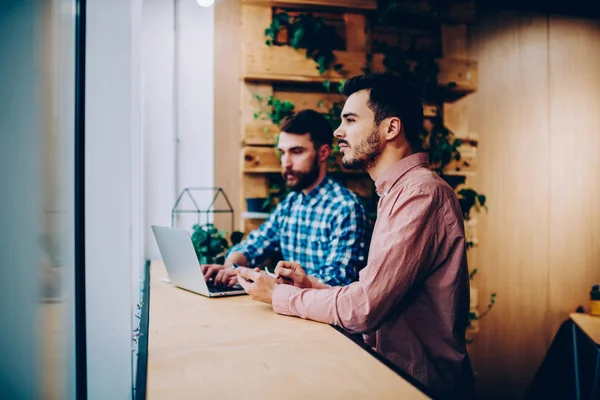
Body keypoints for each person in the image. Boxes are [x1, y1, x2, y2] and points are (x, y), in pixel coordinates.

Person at [234, 74, 475, 399]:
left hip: (420, 386)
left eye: (349, 119)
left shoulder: (420, 194)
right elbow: (378, 293)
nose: (337, 131)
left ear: (391, 128)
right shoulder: (397, 193)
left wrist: (280, 296)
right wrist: (315, 287)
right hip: (391, 375)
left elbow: (365, 307)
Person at [203, 109, 370, 287]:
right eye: (282, 153)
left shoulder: (346, 208)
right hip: (286, 310)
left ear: (323, 153)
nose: (286, 163)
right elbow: (252, 247)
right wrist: (230, 269)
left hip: (323, 312)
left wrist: (269, 282)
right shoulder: (290, 204)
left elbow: (338, 280)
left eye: (296, 151)